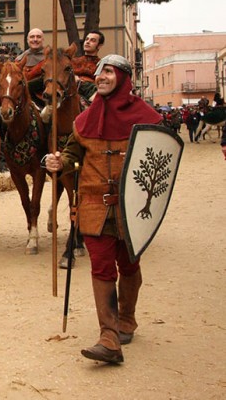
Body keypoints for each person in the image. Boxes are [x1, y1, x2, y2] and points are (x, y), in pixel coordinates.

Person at [44, 54, 162, 364]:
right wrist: (58, 161)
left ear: (122, 77)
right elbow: (70, 152)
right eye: (99, 73)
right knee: (101, 267)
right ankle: (109, 337)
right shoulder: (85, 120)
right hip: (94, 204)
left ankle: (126, 319)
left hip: (131, 208)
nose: (101, 77)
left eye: (108, 72)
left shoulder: (146, 117)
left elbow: (160, 161)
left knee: (129, 266)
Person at [15, 28, 46, 109]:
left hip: (44, 99)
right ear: (27, 40)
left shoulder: (50, 58)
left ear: (43, 39)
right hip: (22, 99)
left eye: (38, 37)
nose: (35, 39)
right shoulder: (19, 59)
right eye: (32, 37)